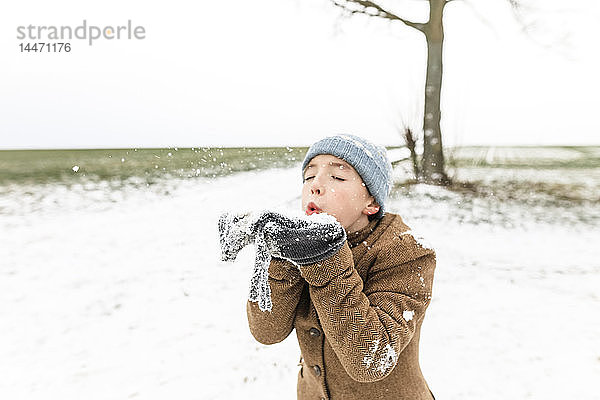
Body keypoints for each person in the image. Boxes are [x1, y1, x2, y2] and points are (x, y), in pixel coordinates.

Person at [245, 134, 437, 399]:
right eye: (309, 177)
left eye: (337, 177)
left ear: (371, 202)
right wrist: (282, 259)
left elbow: (371, 358)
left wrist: (324, 259)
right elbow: (267, 330)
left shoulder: (405, 251)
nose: (316, 186)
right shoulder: (300, 243)